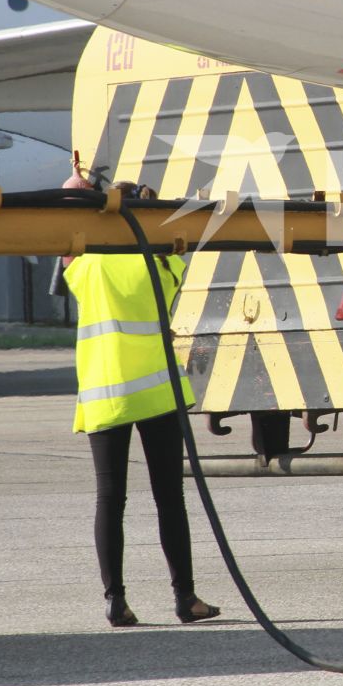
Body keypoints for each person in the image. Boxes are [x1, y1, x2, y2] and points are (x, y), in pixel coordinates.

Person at [62, 172, 219, 628]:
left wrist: (79, 188)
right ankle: (185, 597)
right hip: (156, 394)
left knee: (110, 500)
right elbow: (177, 240)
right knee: (170, 498)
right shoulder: (162, 262)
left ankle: (116, 600)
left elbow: (63, 229)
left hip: (104, 395)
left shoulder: (83, 264)